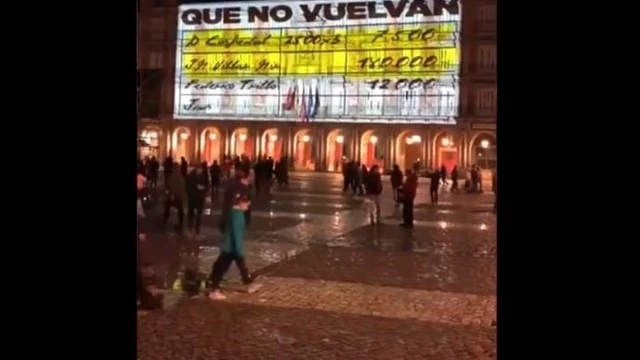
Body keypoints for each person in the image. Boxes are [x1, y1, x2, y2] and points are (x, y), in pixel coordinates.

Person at [207, 170, 257, 300]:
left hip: (229, 246)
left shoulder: (236, 213)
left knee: (221, 266)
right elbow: (236, 233)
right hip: (230, 247)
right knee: (222, 267)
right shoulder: (237, 215)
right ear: (241, 202)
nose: (248, 207)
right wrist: (240, 250)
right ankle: (214, 288)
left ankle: (214, 283)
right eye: (247, 204)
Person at [162, 162, 186, 235]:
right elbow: (182, 188)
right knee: (180, 211)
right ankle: (180, 222)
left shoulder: (171, 176)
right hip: (177, 197)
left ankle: (164, 221)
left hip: (171, 197)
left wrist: (168, 194)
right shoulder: (180, 177)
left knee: (168, 210)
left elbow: (168, 186)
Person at [186, 164, 209, 237]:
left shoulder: (203, 176)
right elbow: (188, 186)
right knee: (191, 213)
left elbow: (207, 185)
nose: (200, 171)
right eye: (199, 169)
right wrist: (196, 187)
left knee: (199, 213)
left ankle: (197, 228)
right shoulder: (191, 176)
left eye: (201, 170)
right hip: (192, 197)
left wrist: (204, 189)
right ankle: (190, 226)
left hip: (200, 197)